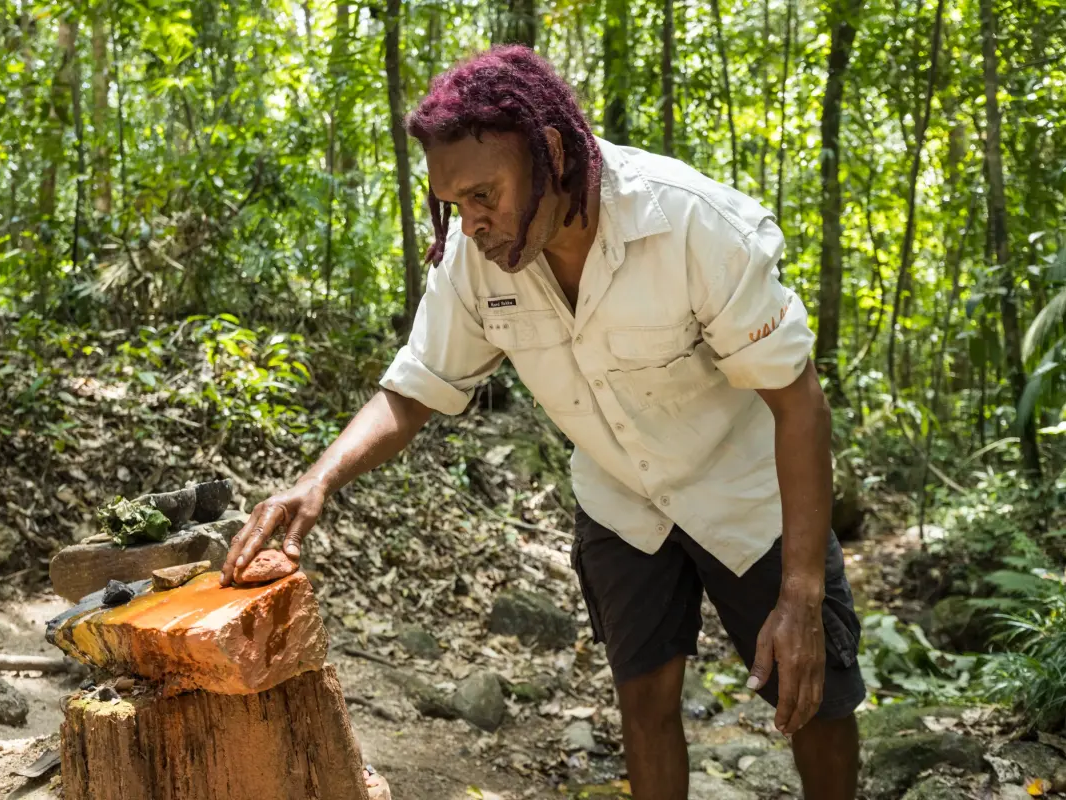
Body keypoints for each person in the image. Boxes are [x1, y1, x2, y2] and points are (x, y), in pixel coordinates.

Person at [221, 44, 864, 800]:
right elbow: (416, 387)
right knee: (643, 701)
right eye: (453, 205)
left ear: (550, 152)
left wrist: (800, 593)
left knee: (812, 701)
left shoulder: (689, 223)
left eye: (484, 194)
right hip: (621, 500)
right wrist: (315, 481)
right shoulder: (474, 259)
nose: (474, 224)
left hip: (748, 493)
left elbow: (799, 403)